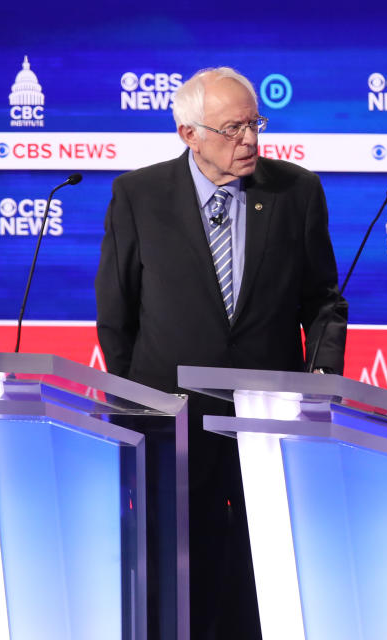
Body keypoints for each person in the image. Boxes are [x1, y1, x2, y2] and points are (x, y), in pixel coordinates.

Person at [95, 67, 347, 640]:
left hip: (267, 418)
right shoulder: (138, 194)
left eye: (255, 124)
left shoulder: (296, 191)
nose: (251, 141)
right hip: (172, 423)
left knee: (261, 571)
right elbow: (117, 312)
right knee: (179, 572)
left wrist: (323, 378)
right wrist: (136, 400)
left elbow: (324, 300)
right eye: (233, 129)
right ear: (190, 133)